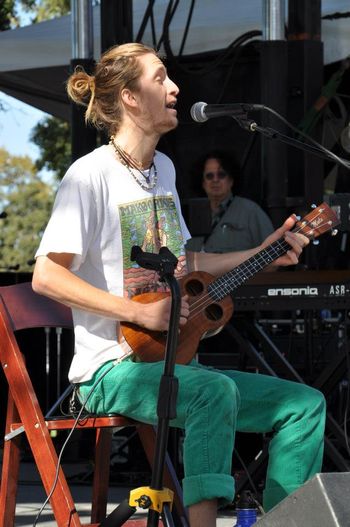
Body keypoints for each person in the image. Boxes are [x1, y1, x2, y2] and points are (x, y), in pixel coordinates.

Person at [32, 43, 326, 527]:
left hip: (171, 365)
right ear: (129, 96)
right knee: (213, 392)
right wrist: (140, 313)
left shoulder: (161, 170)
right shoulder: (90, 175)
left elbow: (187, 259)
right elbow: (46, 274)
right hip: (110, 372)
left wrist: (265, 250)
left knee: (304, 405)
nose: (175, 88)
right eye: (161, 78)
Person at [186, 150, 275, 253]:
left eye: (221, 175)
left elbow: (271, 254)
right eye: (209, 176)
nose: (215, 180)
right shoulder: (192, 214)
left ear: (231, 180)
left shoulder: (251, 211)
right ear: (202, 183)